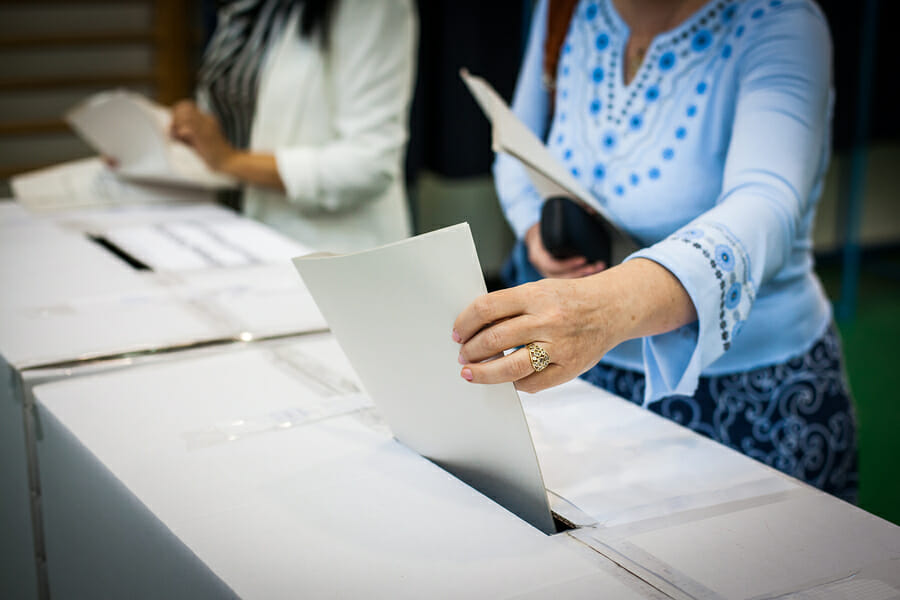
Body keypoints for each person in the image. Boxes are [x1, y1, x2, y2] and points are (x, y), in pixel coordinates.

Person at [453, 0, 857, 502]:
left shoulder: (780, 20)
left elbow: (767, 203)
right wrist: (536, 230)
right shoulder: (564, 9)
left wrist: (604, 308)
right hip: (586, 379)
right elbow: (514, 140)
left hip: (748, 393)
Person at [169, 0, 417, 253]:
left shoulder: (372, 7)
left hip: (328, 251)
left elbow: (370, 164)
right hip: (236, 232)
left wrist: (230, 160)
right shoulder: (246, 8)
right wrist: (196, 126)